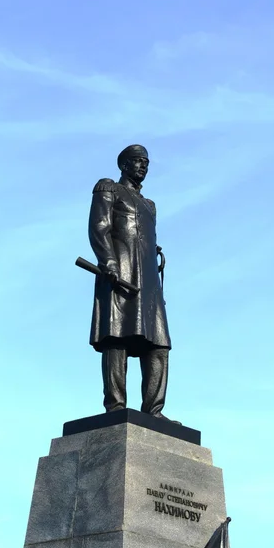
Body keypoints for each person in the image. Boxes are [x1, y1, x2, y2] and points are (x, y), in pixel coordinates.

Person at [88, 144, 176, 421]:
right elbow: (99, 227)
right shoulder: (108, 188)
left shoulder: (149, 205)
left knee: (159, 344)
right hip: (121, 274)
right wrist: (109, 262)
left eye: (146, 163)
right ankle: (115, 406)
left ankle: (154, 410)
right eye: (137, 161)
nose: (143, 167)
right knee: (117, 337)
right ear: (124, 164)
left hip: (148, 282)